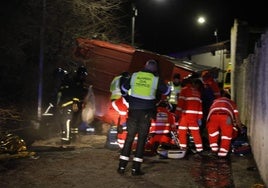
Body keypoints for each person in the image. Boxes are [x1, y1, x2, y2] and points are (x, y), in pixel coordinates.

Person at [117, 59, 171, 176]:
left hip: (133, 111)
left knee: (129, 138)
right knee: (141, 140)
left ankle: (121, 167)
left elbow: (123, 90)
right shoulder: (156, 80)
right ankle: (135, 169)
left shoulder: (135, 76)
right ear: (155, 69)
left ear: (144, 66)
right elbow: (167, 91)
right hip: (146, 112)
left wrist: (129, 99)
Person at [56, 65, 89, 145]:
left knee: (67, 121)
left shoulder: (73, 81)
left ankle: (66, 139)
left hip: (70, 104)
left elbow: (76, 93)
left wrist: (75, 102)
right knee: (70, 121)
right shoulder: (74, 81)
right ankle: (71, 138)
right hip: (69, 104)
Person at [206, 90, 242, 158]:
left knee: (213, 133)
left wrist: (208, 124)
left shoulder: (215, 101)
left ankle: (214, 150)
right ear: (229, 98)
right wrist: (241, 128)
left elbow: (209, 111)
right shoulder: (232, 102)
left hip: (213, 116)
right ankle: (222, 154)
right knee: (226, 134)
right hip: (226, 117)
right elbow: (237, 118)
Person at [175, 76, 204, 153]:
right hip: (194, 116)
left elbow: (180, 104)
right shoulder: (197, 92)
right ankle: (200, 149)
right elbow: (200, 106)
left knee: (182, 131)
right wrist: (199, 118)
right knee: (195, 132)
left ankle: (183, 149)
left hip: (185, 115)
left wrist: (177, 115)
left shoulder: (184, 90)